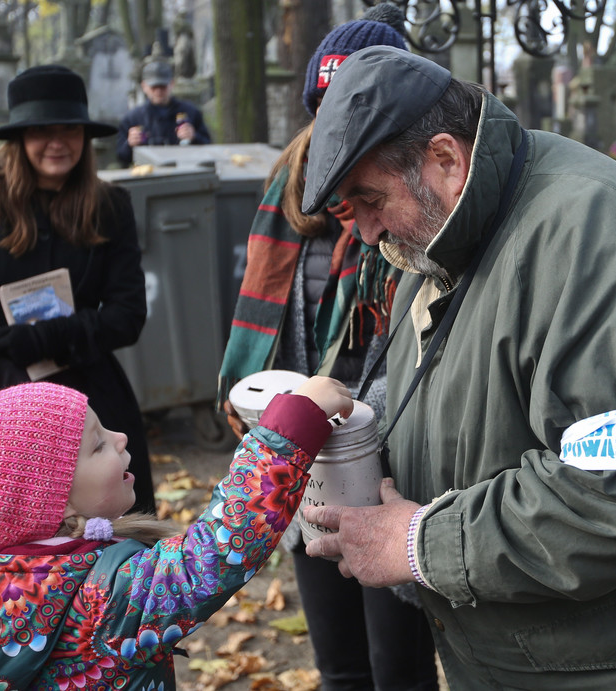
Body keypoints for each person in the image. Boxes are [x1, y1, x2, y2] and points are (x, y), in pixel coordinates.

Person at [299, 45, 616, 688]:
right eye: (347, 210)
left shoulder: (594, 229)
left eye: (371, 199)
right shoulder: (438, 244)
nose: (365, 232)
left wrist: (415, 543)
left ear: (445, 158)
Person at [218, 13, 438, 691]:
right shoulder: (284, 196)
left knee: (398, 665)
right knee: (339, 665)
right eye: (326, 106)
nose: (337, 122)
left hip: (389, 463)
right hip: (300, 453)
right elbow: (261, 323)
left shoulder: (420, 204)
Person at [0, 377, 353, 690]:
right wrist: (295, 421)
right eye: (97, 444)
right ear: (56, 502)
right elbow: (213, 554)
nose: (120, 438)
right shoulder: (101, 595)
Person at [0, 64, 158, 549]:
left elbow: (127, 315)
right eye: (42, 130)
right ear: (19, 137)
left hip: (90, 402)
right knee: (2, 570)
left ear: (85, 135)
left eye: (69, 129)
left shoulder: (111, 205)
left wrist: (42, 339)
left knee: (115, 556)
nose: (56, 141)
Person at [116, 59, 211, 166]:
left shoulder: (191, 112)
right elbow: (121, 156)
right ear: (144, 86)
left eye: (163, 86)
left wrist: (194, 137)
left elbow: (208, 147)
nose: (158, 91)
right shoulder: (132, 118)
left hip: (183, 172)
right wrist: (130, 144)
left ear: (171, 84)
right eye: (154, 87)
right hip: (148, 176)